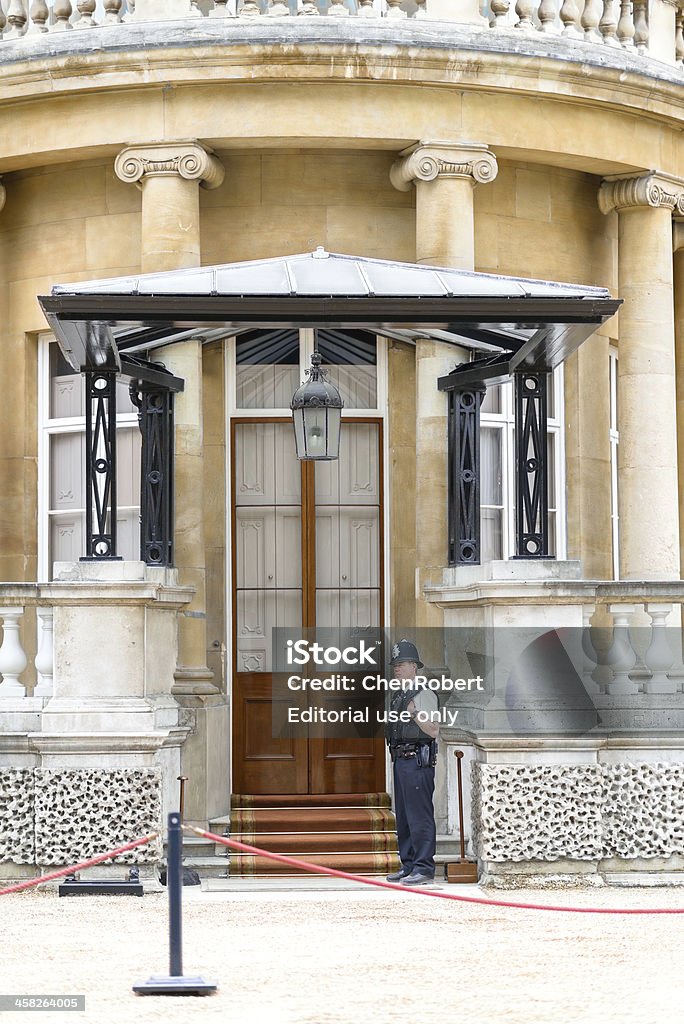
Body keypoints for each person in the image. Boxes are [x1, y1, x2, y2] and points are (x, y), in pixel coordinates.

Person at [384, 639, 439, 886]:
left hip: (417, 762)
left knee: (419, 816)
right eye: (395, 664)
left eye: (402, 664)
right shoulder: (399, 695)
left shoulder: (423, 693)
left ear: (414, 667)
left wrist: (414, 713)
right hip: (401, 761)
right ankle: (408, 865)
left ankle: (424, 868)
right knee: (404, 817)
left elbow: (433, 730)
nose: (396, 669)